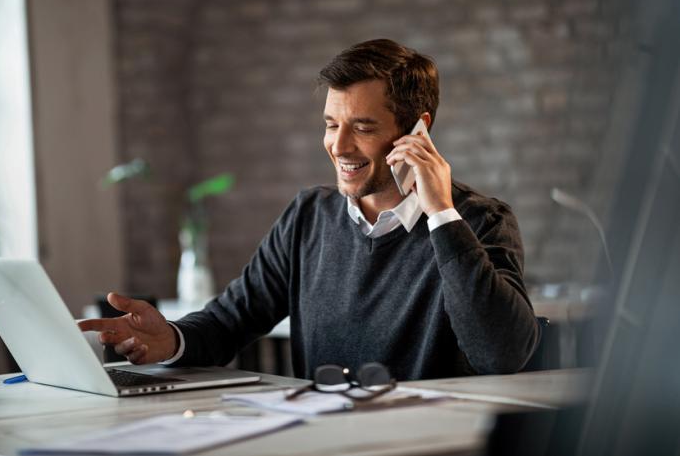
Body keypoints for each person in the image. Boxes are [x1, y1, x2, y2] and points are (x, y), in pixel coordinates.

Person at [78, 39, 540, 380]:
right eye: (331, 124)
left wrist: (441, 213)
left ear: (417, 130)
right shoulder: (307, 217)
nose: (338, 145)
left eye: (361, 127)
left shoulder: (478, 221)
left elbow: (501, 354)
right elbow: (229, 321)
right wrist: (172, 340)